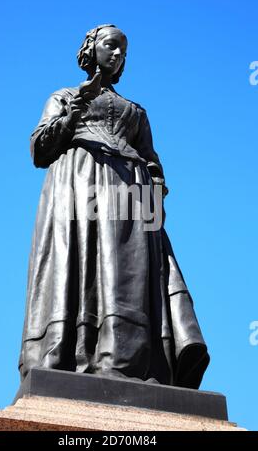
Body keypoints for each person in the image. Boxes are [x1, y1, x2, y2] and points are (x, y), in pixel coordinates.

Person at [18, 24, 209, 388]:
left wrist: (153, 205)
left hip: (130, 199)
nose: (119, 54)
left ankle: (127, 361)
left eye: (124, 50)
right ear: (92, 50)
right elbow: (40, 149)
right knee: (82, 267)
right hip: (77, 186)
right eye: (111, 45)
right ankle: (71, 353)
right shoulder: (64, 96)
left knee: (126, 279)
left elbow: (153, 164)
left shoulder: (136, 113)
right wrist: (75, 108)